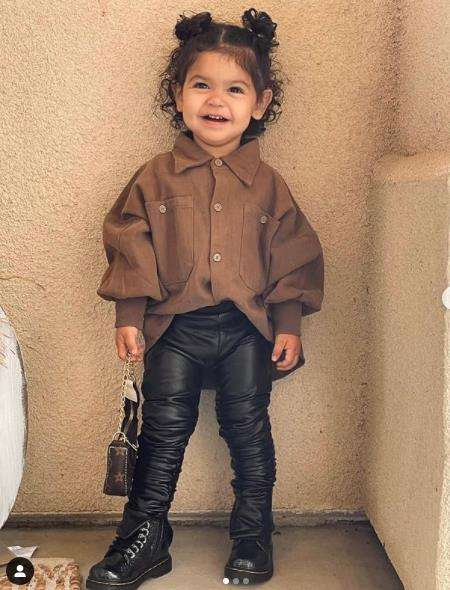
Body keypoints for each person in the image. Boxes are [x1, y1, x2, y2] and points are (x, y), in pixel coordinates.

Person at [87, 8, 324, 589]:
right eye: (201, 85)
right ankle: (145, 536)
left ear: (260, 103)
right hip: (176, 330)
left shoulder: (270, 186)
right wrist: (129, 314)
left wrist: (288, 322)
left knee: (248, 429)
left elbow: (291, 254)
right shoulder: (155, 177)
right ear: (178, 95)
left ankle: (253, 535)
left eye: (235, 89)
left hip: (246, 331)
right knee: (163, 430)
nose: (217, 101)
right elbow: (130, 243)